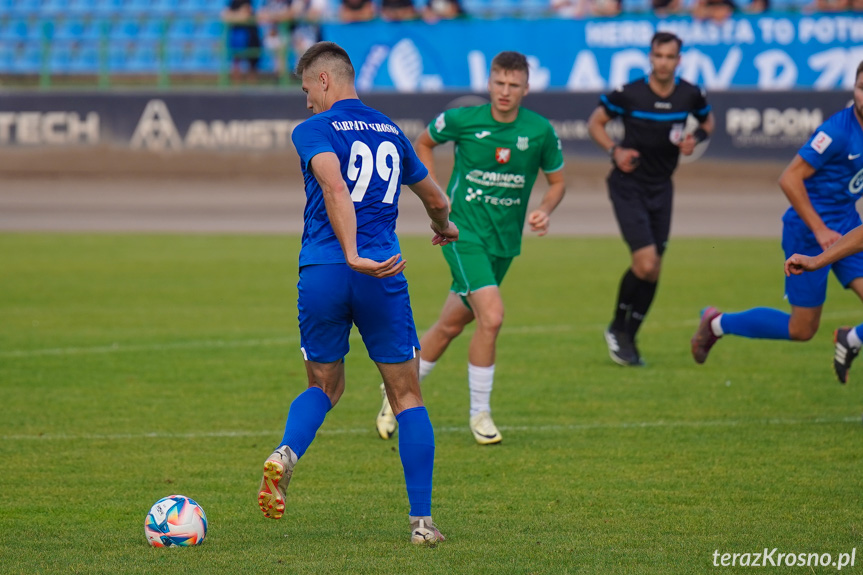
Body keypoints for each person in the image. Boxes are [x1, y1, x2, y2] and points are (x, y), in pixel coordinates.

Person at [256, 41, 458, 546]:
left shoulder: (313, 130)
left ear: (325, 80)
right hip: (381, 272)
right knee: (407, 395)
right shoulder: (391, 130)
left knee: (325, 386)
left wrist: (347, 251)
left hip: (324, 269)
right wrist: (443, 226)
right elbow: (435, 196)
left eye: (307, 89)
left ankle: (285, 454)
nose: (305, 101)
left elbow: (333, 186)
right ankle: (422, 524)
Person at [375, 51, 566, 445]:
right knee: (491, 317)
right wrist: (437, 195)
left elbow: (558, 182)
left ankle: (394, 394)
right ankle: (480, 413)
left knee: (449, 325)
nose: (505, 92)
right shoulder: (464, 120)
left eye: (514, 85)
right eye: (499, 83)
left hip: (505, 244)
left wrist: (545, 209)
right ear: (490, 83)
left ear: (526, 88)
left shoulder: (541, 131)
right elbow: (422, 144)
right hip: (461, 235)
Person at [694, 61, 863, 384]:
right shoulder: (837, 132)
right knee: (802, 330)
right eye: (861, 87)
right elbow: (789, 178)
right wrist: (819, 228)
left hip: (850, 228)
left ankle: (850, 339)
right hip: (808, 232)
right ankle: (717, 323)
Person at [588, 31, 714, 367]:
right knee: (645, 263)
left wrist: (695, 138)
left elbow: (708, 122)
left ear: (679, 60)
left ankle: (629, 336)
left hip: (662, 187)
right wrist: (615, 150)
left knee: (654, 270)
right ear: (650, 57)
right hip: (628, 185)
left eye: (670, 57)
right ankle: (618, 327)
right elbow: (595, 123)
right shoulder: (629, 94)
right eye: (658, 56)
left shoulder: (690, 94)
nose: (663, 62)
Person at [222, 0, 263, 84]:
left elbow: (244, 16)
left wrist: (233, 16)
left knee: (252, 60)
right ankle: (236, 84)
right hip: (237, 33)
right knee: (236, 57)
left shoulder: (248, 2)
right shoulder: (233, 2)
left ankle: (252, 84)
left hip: (251, 35)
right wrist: (237, 15)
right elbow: (224, 16)